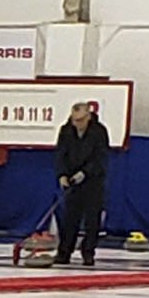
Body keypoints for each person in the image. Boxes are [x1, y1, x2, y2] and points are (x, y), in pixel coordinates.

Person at [48, 99, 111, 266]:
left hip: (93, 181)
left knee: (92, 220)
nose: (77, 124)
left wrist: (85, 172)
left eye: (81, 120)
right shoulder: (66, 130)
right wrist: (62, 175)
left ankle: (88, 252)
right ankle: (64, 252)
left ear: (88, 116)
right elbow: (60, 154)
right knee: (70, 218)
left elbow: (101, 157)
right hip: (71, 181)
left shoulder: (99, 132)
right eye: (74, 120)